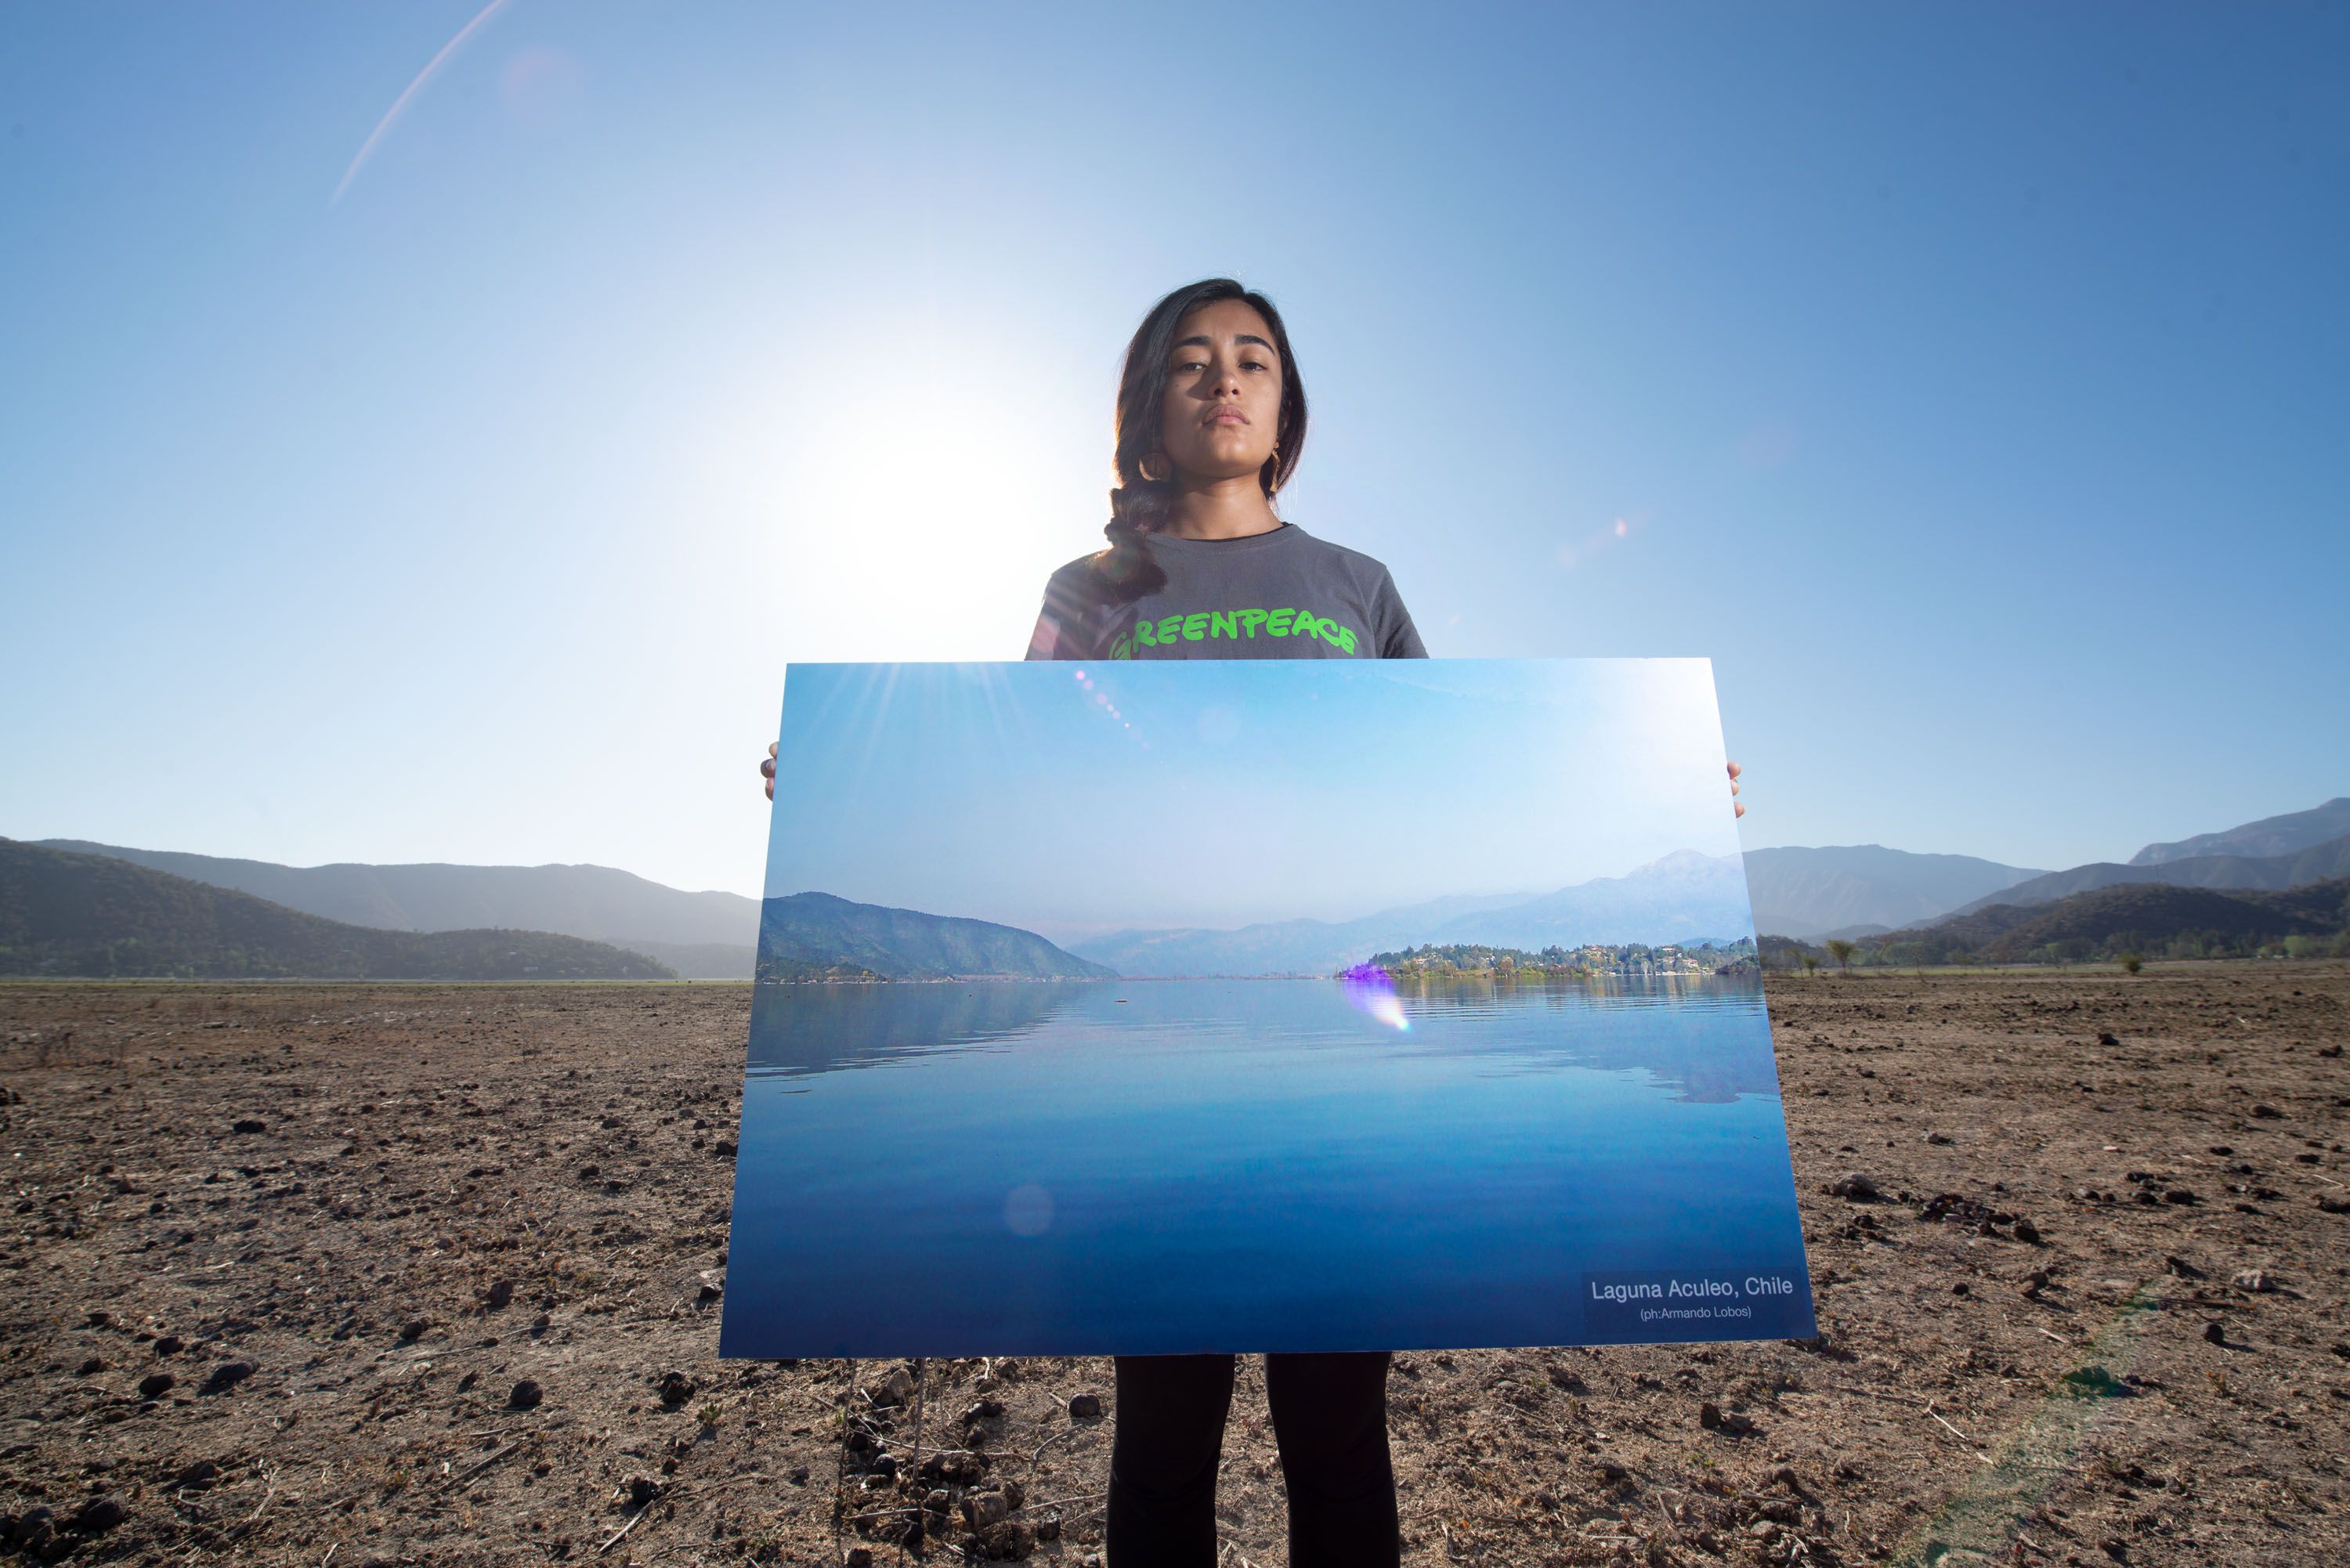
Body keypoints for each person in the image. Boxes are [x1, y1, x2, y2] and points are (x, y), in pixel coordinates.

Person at [762, 277, 1743, 1566]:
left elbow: (1446, 769)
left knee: (1338, 1425)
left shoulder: (1357, 581)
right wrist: (835, 776)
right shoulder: (1087, 588)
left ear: (1286, 408)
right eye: (1190, 362)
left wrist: (1663, 783)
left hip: (1349, 1115)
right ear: (1148, 411)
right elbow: (1022, 765)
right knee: (1163, 1430)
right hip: (1145, 1140)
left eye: (1254, 360)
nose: (1224, 379)